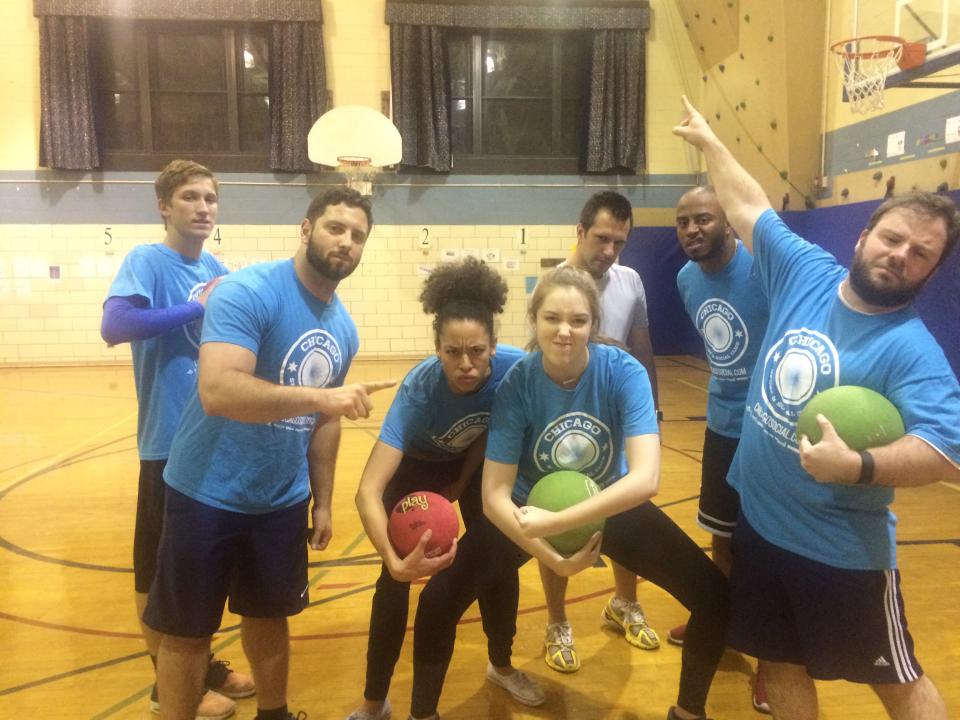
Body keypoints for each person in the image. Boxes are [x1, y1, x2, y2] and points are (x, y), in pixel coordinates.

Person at [675, 96, 960, 719]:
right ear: (865, 236)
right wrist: (710, 143)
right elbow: (749, 205)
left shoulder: (911, 350)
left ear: (931, 272)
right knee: (779, 663)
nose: (899, 255)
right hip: (761, 528)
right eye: (892, 238)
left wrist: (857, 465)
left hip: (840, 551)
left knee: (899, 681)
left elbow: (948, 452)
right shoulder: (804, 270)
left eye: (920, 253)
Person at [407, 265, 729, 720]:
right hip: (525, 510)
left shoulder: (622, 372)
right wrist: (551, 553)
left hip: (605, 504)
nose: (564, 331)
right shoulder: (518, 383)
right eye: (552, 318)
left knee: (714, 594)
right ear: (534, 321)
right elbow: (494, 494)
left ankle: (689, 711)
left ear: (593, 325)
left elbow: (646, 479)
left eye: (578, 321)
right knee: (437, 602)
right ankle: (422, 714)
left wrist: (557, 523)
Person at [143, 187, 395, 720]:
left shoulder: (343, 328)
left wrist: (322, 501)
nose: (345, 242)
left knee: (269, 617)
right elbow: (219, 391)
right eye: (335, 228)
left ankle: (274, 714)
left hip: (279, 501)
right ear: (306, 230)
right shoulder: (249, 291)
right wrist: (320, 397)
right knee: (189, 629)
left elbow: (325, 422)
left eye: (357, 236)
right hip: (206, 491)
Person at [346, 257, 543, 720]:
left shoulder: (518, 368)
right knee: (392, 582)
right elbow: (367, 490)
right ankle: (375, 702)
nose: (466, 364)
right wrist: (394, 563)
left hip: (473, 469)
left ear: (494, 346)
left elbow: (491, 427)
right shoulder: (419, 390)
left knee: (496, 559)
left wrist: (461, 478)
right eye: (453, 352)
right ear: (436, 349)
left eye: (476, 350)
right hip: (415, 470)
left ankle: (501, 664)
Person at [101, 160, 254, 720]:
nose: (203, 207)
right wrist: (197, 307)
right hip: (166, 444)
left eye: (211, 198)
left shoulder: (215, 265)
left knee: (199, 568)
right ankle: (165, 687)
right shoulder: (147, 260)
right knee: (158, 568)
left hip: (213, 441)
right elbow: (115, 325)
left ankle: (201, 665)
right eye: (190, 197)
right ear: (164, 206)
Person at [540, 191, 663, 673]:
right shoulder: (554, 283)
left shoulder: (630, 281)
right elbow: (540, 353)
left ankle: (623, 604)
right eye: (602, 238)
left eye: (620, 241)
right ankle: (556, 621)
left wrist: (652, 410)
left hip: (622, 421)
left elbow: (642, 344)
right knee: (560, 516)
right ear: (580, 231)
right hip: (565, 422)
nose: (610, 250)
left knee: (625, 513)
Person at [673, 186, 771, 713]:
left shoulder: (763, 268)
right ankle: (723, 622)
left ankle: (769, 661)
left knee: (764, 548)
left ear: (728, 223)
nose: (692, 229)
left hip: (769, 429)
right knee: (722, 539)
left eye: (703, 219)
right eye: (683, 222)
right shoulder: (687, 280)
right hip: (721, 426)